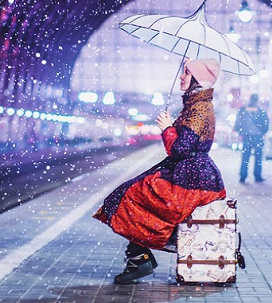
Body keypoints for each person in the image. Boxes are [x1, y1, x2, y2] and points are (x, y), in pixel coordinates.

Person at [94, 58, 226, 284]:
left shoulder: (199, 109)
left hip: (190, 179)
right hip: (191, 174)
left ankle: (150, 253)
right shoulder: (195, 105)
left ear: (196, 79)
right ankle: (144, 254)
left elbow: (180, 149)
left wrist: (167, 128)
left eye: (186, 73)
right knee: (129, 196)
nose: (182, 77)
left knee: (131, 198)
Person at [234, 93, 269, 183]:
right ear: (257, 100)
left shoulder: (243, 110)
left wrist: (239, 130)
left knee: (245, 157)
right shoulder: (260, 111)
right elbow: (266, 123)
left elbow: (238, 121)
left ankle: (243, 176)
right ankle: (257, 176)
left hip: (247, 136)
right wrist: (263, 132)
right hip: (258, 136)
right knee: (258, 157)